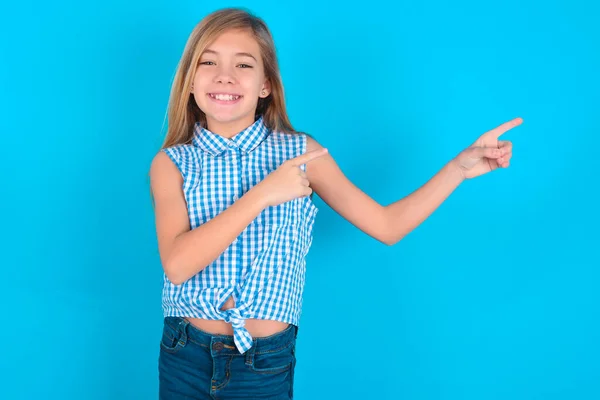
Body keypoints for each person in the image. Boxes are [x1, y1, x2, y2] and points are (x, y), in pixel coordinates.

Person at [149, 7, 523, 400]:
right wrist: (262, 194)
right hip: (184, 354)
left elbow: (387, 225)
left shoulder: (302, 153)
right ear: (190, 80)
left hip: (265, 361)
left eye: (243, 64)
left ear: (266, 85)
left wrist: (458, 170)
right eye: (208, 62)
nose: (225, 75)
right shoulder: (172, 162)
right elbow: (177, 264)